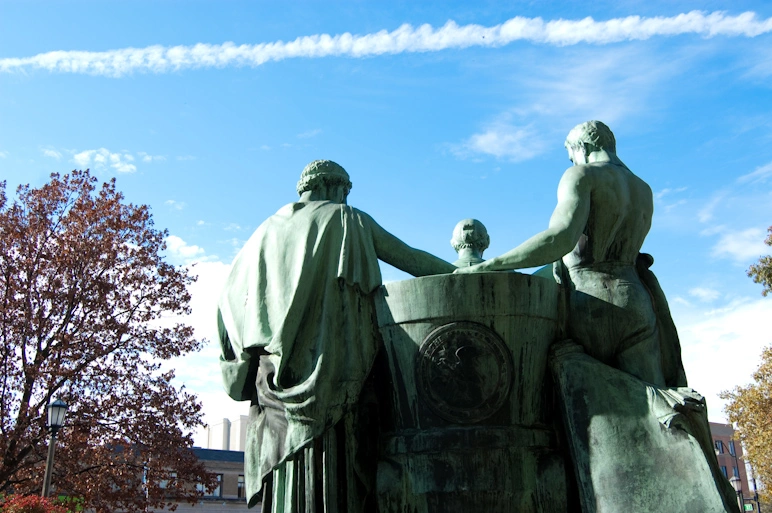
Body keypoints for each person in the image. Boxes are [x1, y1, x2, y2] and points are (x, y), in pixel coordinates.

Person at [217, 160, 455, 512]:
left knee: (286, 479)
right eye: (346, 192)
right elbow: (412, 260)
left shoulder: (261, 234)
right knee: (347, 481)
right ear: (336, 187)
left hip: (272, 387)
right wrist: (467, 270)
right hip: (340, 378)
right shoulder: (348, 219)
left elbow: (226, 307)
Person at [455, 120, 682, 387]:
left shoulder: (582, 175)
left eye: (571, 155)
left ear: (583, 147)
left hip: (588, 302)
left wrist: (491, 265)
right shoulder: (643, 189)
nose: (573, 162)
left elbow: (560, 238)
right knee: (654, 404)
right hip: (638, 303)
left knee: (572, 401)